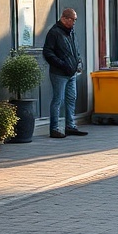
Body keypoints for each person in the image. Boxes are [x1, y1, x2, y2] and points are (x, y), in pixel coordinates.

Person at [42, 8, 87, 138]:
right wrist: (62, 64)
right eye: (72, 19)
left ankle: (70, 126)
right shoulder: (54, 32)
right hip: (59, 73)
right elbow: (48, 53)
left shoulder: (71, 32)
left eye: (75, 20)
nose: (74, 22)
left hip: (71, 72)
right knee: (58, 100)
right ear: (65, 18)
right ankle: (54, 128)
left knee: (71, 99)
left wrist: (78, 62)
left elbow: (75, 50)